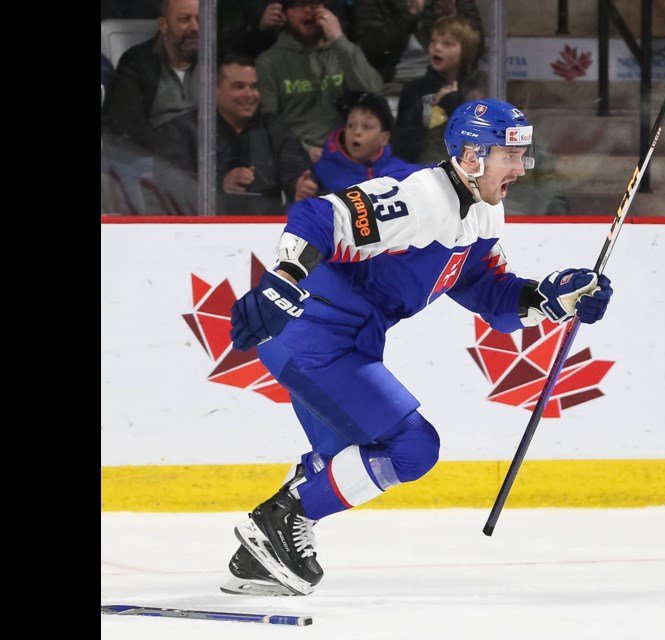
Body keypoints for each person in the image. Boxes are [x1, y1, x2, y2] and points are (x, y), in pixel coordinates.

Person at [221, 98, 614, 596]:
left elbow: (490, 297)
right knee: (412, 447)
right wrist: (284, 276)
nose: (520, 167)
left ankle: (258, 555)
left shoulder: (483, 216)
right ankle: (281, 521)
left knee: (337, 461)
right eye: (509, 155)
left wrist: (552, 297)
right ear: (472, 155)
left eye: (522, 155)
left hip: (343, 343)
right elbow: (320, 215)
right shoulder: (420, 198)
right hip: (313, 337)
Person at [153, 51, 318, 215]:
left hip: (266, 231)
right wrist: (219, 187)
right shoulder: (181, 130)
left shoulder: (275, 128)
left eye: (254, 87)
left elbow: (295, 169)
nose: (249, 94)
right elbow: (171, 190)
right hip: (203, 232)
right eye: (239, 86)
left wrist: (299, 187)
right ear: (213, 90)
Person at [101, 0, 200, 213]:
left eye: (199, 20)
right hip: (156, 159)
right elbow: (127, 123)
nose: (195, 27)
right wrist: (175, 153)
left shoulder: (216, 64)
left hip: (206, 159)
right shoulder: (137, 62)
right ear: (163, 25)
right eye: (185, 19)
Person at [255, 0, 384, 163]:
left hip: (348, 153)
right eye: (300, 5)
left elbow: (374, 95)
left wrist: (339, 39)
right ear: (285, 14)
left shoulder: (343, 51)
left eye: (315, 3)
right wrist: (304, 150)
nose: (309, 10)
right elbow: (268, 123)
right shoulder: (268, 62)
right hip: (296, 158)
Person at [392, 15, 484, 164]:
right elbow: (402, 146)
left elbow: (481, 140)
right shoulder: (414, 90)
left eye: (447, 44)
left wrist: (454, 106)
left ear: (466, 51)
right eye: (433, 41)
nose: (437, 47)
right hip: (424, 171)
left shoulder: (476, 88)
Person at [312, 90, 422, 194]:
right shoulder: (321, 173)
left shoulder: (402, 172)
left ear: (384, 138)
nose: (357, 132)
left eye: (367, 126)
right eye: (351, 125)